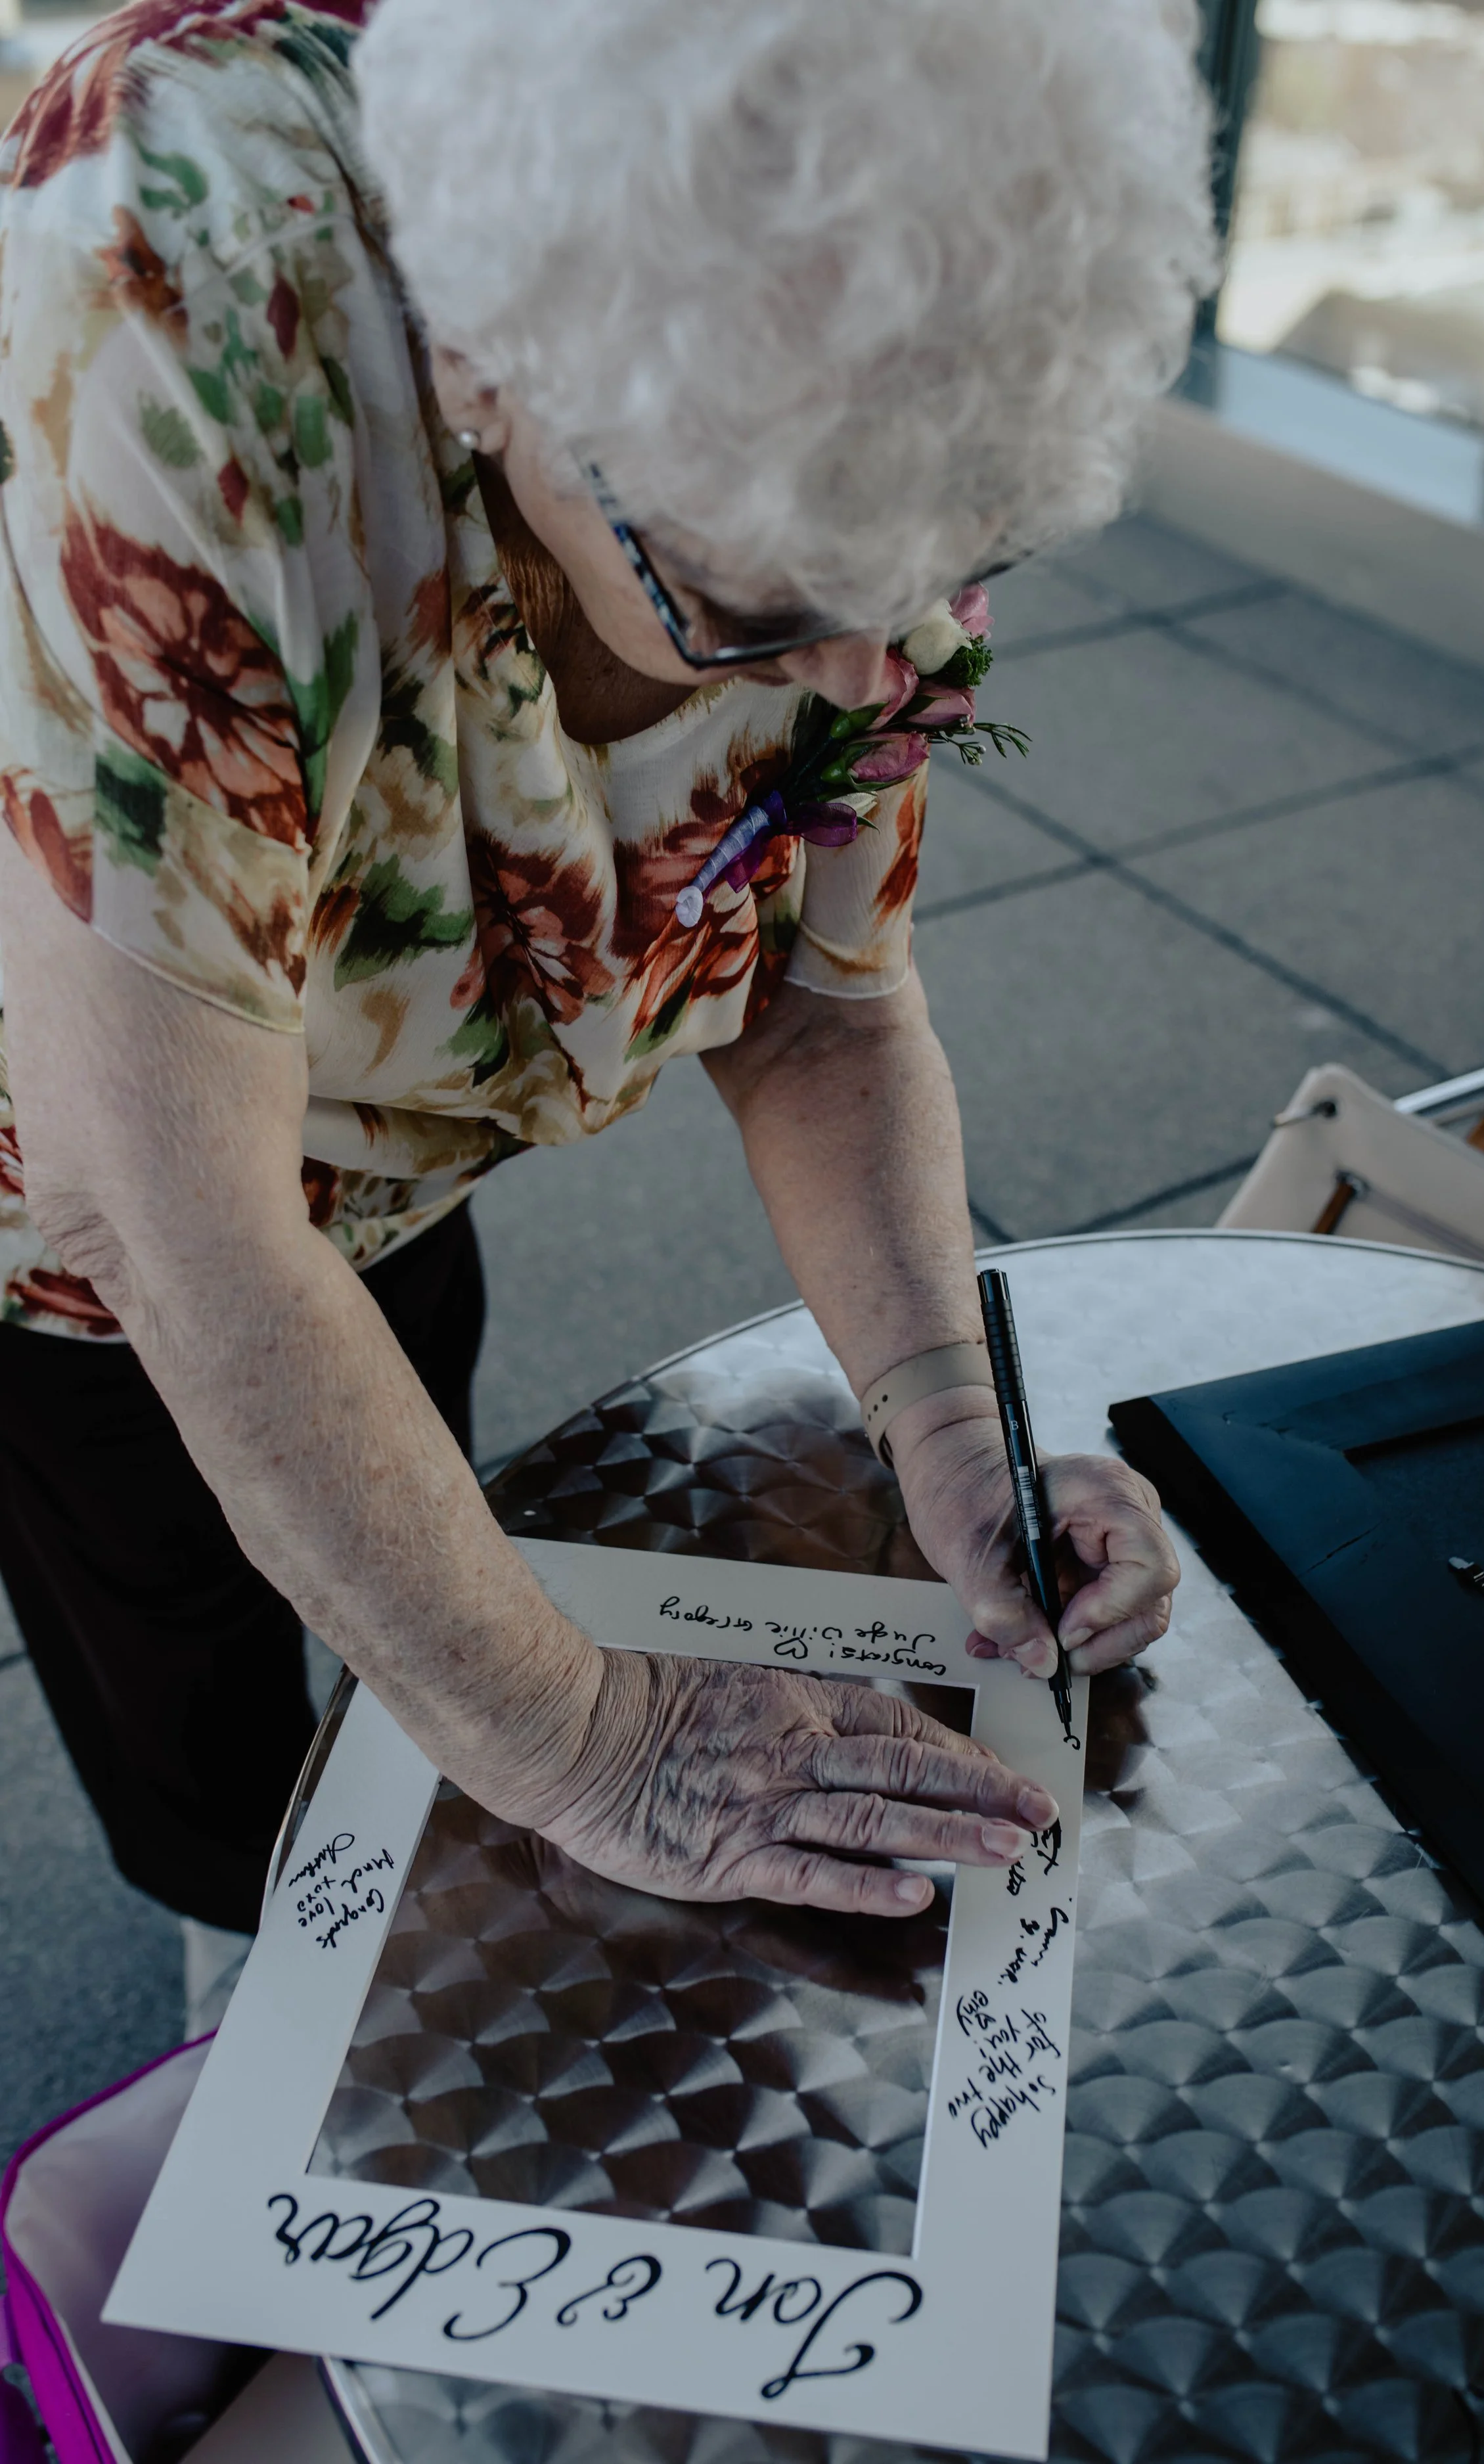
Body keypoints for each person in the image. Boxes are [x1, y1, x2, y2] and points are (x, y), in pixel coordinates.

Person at [0, 0, 1212, 2026]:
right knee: (174, 1607)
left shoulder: (831, 447)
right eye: (754, 613)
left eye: (946, 569)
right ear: (482, 362)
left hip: (383, 1106)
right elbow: (174, 1221)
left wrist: (944, 1421)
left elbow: (825, 1018)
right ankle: (233, 1947)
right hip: (67, 1200)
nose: (853, 678)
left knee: (397, 1407)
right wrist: (581, 1737)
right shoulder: (174, 283)